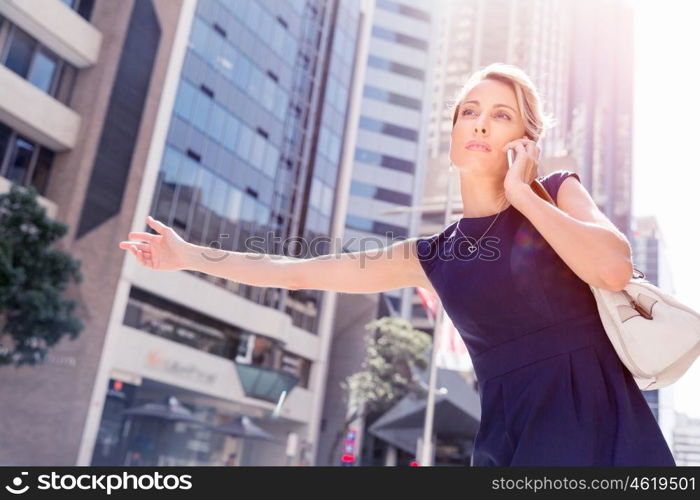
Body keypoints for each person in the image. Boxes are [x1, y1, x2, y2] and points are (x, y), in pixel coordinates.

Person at [118, 62, 676, 467]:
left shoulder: (556, 194)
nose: (480, 124)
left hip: (610, 435)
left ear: (524, 141)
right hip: (512, 445)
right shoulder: (430, 255)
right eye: (469, 113)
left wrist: (524, 194)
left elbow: (612, 269)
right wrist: (190, 256)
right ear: (454, 135)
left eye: (500, 115)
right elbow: (298, 271)